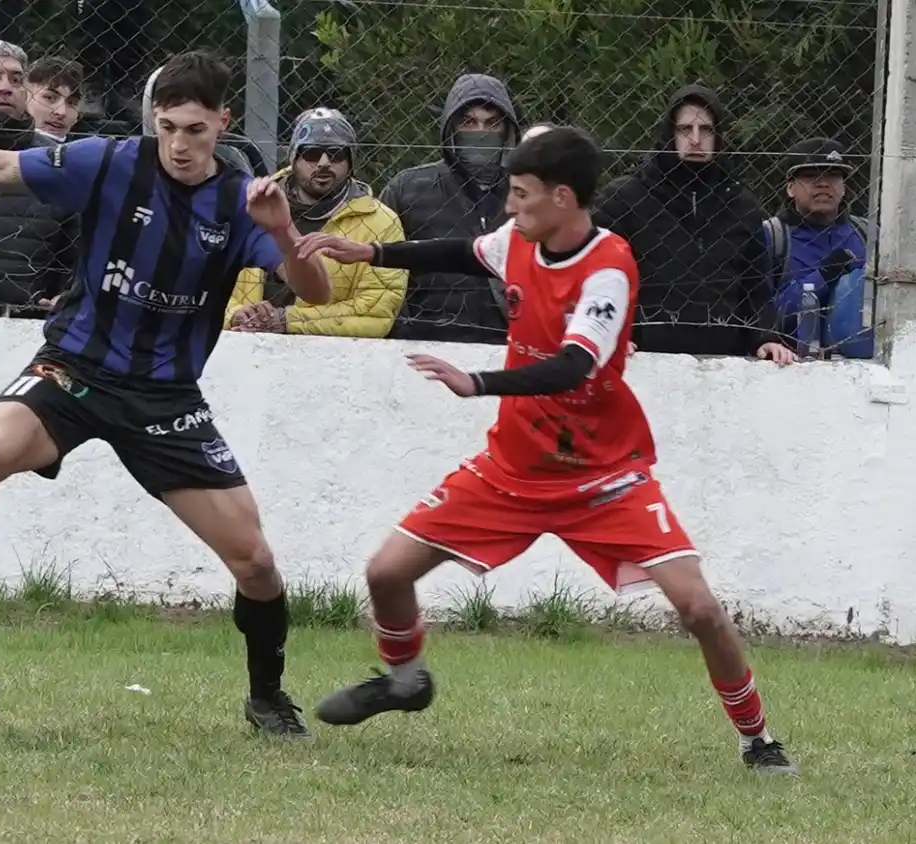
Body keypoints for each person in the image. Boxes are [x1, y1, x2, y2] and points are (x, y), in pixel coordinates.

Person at [0, 51, 332, 738]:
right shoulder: (112, 161)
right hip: (75, 368)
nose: (179, 146)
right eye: (167, 128)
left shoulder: (241, 201)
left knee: (256, 562)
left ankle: (267, 696)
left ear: (223, 121)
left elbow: (316, 291)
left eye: (195, 130)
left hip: (164, 396)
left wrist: (280, 230)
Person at [294, 126, 798, 774]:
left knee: (698, 606)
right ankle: (405, 680)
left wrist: (477, 383)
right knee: (386, 573)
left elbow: (572, 368)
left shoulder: (608, 268)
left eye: (521, 196)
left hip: (604, 476)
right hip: (512, 468)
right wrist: (367, 251)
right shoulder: (519, 241)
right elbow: (462, 252)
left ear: (562, 198)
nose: (510, 208)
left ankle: (757, 738)